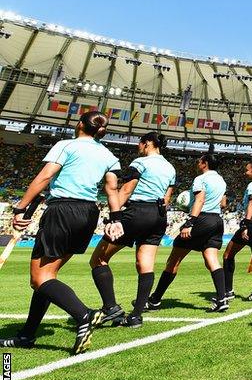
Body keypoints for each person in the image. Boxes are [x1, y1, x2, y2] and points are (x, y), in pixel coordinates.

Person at [0, 111, 122, 353]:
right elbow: (111, 190)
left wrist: (20, 207)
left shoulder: (66, 145)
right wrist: (116, 219)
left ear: (79, 125)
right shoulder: (108, 155)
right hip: (88, 214)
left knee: (39, 278)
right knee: (48, 276)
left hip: (63, 210)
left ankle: (85, 315)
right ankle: (27, 335)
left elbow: (44, 177)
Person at [88, 131, 176, 329]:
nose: (138, 146)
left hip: (137, 212)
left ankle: (111, 307)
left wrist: (114, 217)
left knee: (98, 259)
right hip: (159, 216)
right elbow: (167, 198)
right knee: (145, 264)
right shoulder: (170, 168)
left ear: (148, 144)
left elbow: (126, 190)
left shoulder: (140, 163)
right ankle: (136, 316)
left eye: (140, 143)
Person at [146, 153, 229, 312]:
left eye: (200, 160)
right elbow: (223, 203)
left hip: (201, 219)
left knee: (173, 260)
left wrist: (190, 222)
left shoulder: (201, 179)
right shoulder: (221, 180)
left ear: (205, 163)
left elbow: (200, 200)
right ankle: (221, 298)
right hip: (217, 220)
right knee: (211, 259)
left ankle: (155, 299)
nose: (198, 162)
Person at [223, 161, 252, 302]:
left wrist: (245, 225)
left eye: (247, 170)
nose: (245, 172)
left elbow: (251, 203)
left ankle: (228, 291)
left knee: (228, 255)